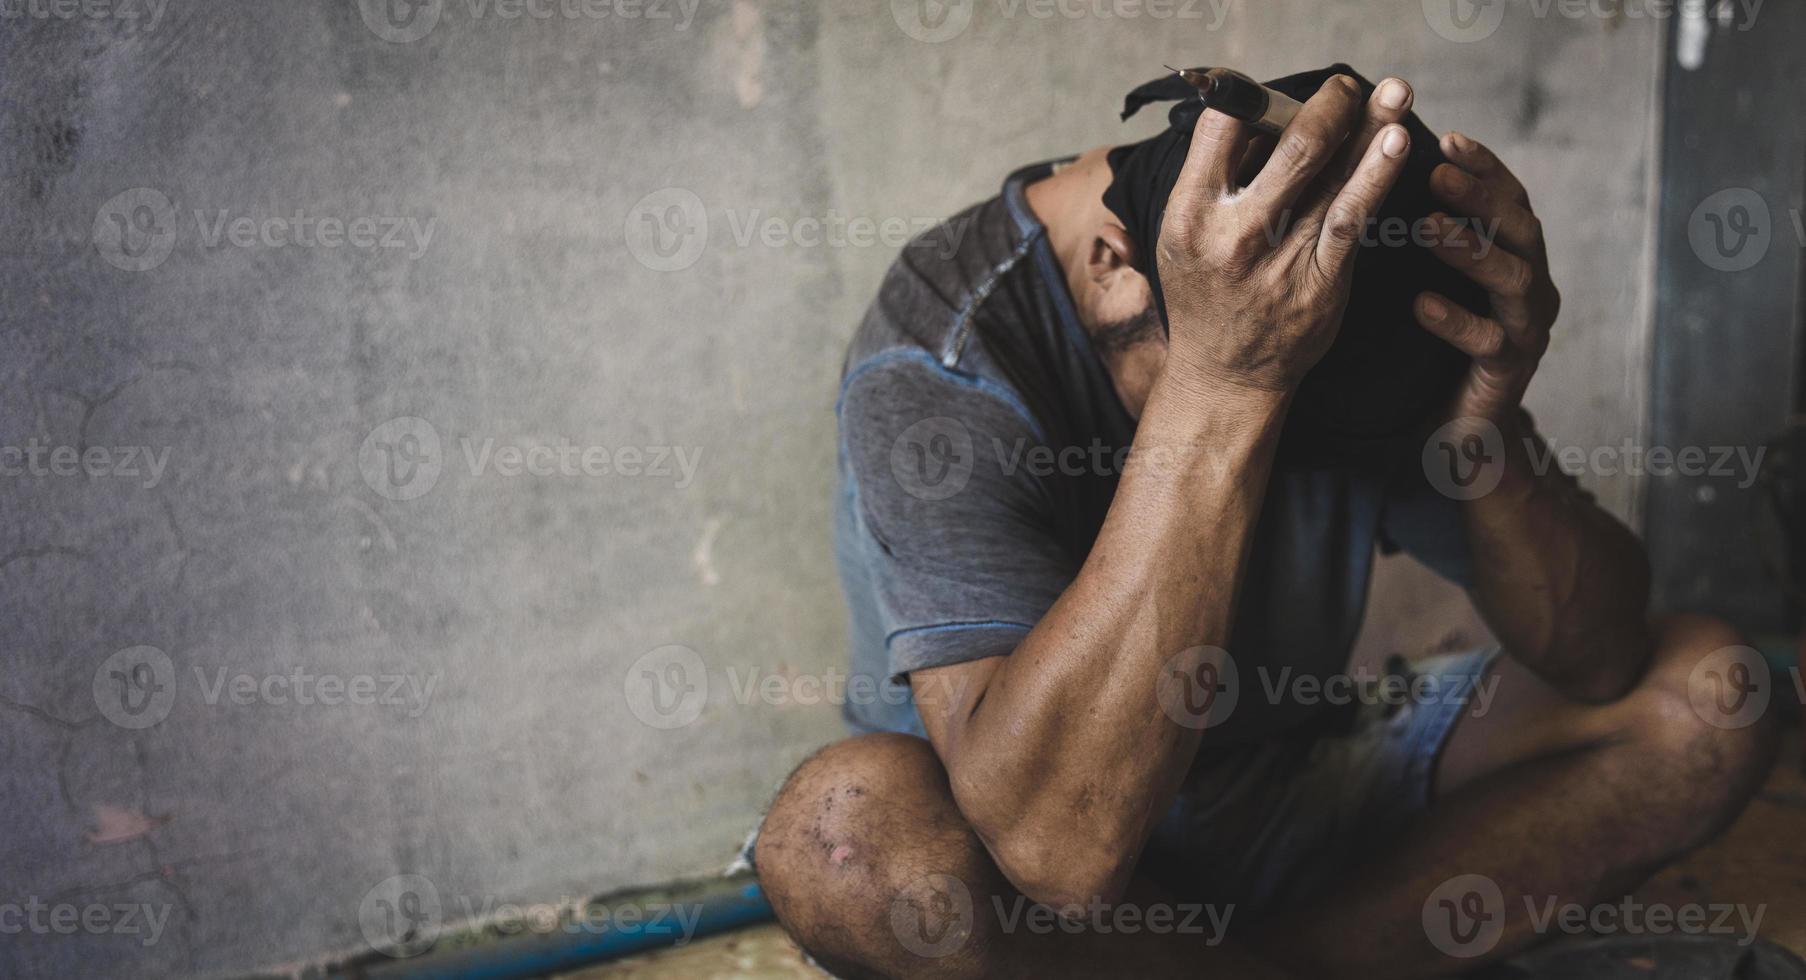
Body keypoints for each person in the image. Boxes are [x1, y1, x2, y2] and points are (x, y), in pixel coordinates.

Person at [749, 65, 1780, 978]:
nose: (1286, 439)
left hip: (1284, 786)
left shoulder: (1346, 298)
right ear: (1115, 264)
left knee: (1710, 695)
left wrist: (1484, 428)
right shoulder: (943, 361)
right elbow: (1054, 853)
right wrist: (1230, 376)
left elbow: (1599, 657)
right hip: (1041, 895)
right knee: (842, 840)